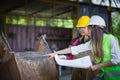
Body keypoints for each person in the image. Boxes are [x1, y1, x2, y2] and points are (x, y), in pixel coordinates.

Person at [46, 15, 120, 80]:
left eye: (89, 28)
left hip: (114, 76)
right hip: (103, 74)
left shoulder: (111, 39)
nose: (87, 31)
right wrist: (56, 53)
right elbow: (74, 49)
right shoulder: (93, 42)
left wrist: (96, 66)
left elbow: (116, 60)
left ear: (95, 28)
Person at [67, 16, 92, 80]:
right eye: (79, 28)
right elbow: (69, 53)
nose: (81, 30)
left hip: (91, 69)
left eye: (83, 27)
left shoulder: (94, 40)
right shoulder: (74, 41)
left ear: (90, 27)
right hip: (76, 70)